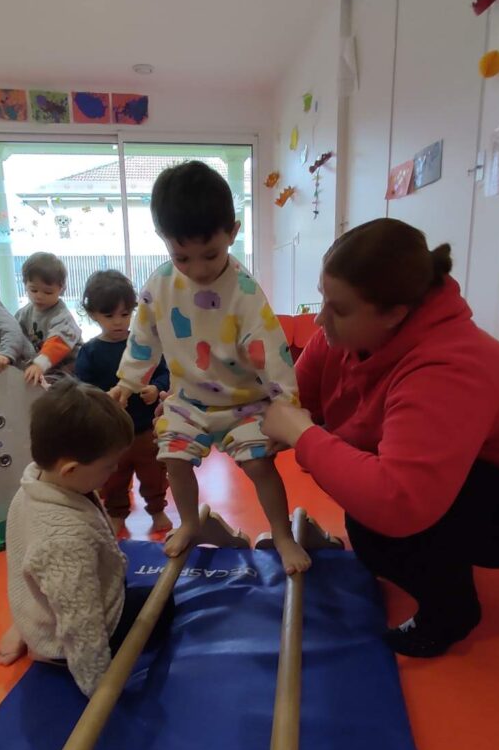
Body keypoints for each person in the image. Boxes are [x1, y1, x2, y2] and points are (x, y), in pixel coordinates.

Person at [262, 218, 499, 657]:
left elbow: (398, 502)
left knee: (377, 525)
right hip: (473, 469)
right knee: (371, 506)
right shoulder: (339, 337)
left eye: (339, 309)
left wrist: (304, 436)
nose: (322, 320)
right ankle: (441, 556)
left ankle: (451, 612)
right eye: (323, 300)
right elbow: (295, 398)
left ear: (394, 314)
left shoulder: (449, 366)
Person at [111, 161, 309, 575]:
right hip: (187, 400)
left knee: (259, 465)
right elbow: (142, 335)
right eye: (182, 256)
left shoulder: (244, 292)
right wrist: (129, 380)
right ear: (165, 242)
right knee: (175, 461)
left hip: (244, 401)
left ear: (232, 233)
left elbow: (272, 352)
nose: (198, 269)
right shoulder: (160, 285)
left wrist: (287, 407)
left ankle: (282, 532)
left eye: (211, 254)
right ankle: (189, 523)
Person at [0, 381, 174, 695]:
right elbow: (82, 628)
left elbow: (28, 566)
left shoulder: (37, 480)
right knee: (163, 603)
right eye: (108, 467)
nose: (115, 470)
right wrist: (100, 687)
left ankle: (31, 627)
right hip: (67, 640)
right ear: (71, 469)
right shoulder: (64, 543)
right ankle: (45, 647)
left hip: (43, 607)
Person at [75, 269, 172, 539]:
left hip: (145, 428)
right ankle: (116, 512)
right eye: (109, 315)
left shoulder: (144, 345)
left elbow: (164, 372)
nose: (119, 322)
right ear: (93, 314)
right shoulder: (90, 351)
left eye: (125, 314)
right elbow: (82, 387)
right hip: (111, 434)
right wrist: (104, 399)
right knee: (113, 477)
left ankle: (156, 509)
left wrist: (157, 387)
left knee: (154, 472)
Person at [16, 252, 82, 385]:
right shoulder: (25, 312)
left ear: (61, 289)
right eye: (33, 290)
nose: (39, 296)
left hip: (69, 366)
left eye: (48, 292)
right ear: (25, 285)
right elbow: (14, 331)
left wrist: (39, 365)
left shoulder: (62, 316)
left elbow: (58, 343)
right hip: (45, 365)